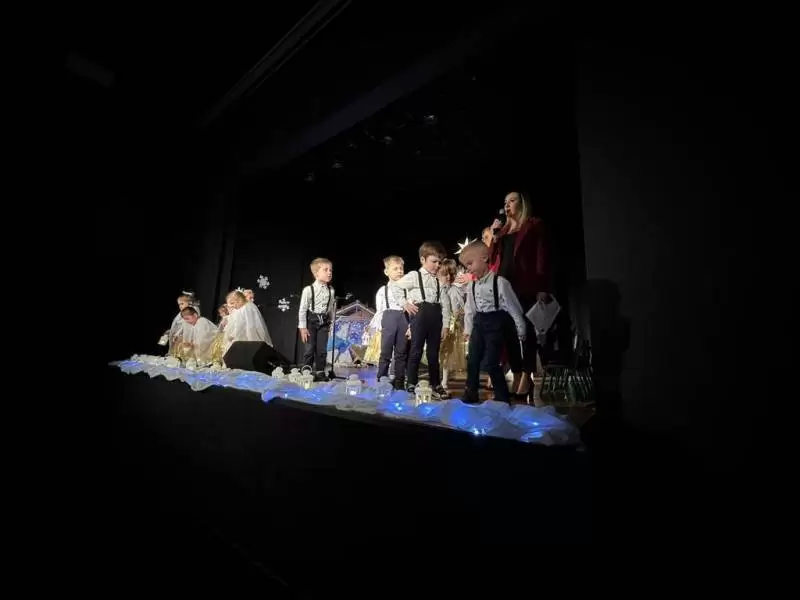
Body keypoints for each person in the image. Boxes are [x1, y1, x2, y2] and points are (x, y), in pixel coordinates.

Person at [489, 191, 552, 399]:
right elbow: (491, 259)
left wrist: (542, 286)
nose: (507, 205)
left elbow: (542, 256)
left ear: (522, 203)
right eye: (505, 201)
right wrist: (494, 236)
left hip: (525, 285)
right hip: (504, 287)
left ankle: (527, 375)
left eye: (512, 200)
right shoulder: (502, 231)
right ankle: (516, 372)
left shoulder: (534, 225)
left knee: (526, 332)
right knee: (508, 333)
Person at [460, 241, 527, 404]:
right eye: (466, 265)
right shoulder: (472, 285)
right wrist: (468, 329)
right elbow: (470, 309)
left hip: (496, 322)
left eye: (470, 263)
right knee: (473, 359)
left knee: (492, 362)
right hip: (479, 322)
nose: (468, 268)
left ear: (484, 258)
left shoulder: (500, 282)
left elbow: (513, 307)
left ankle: (502, 396)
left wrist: (521, 328)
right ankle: (471, 391)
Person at [395, 241, 450, 398]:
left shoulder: (439, 281)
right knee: (416, 350)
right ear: (422, 260)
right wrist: (404, 303)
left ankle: (436, 384)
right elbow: (396, 287)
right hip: (420, 315)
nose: (437, 265)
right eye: (434, 261)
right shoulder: (414, 276)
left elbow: (445, 304)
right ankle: (411, 382)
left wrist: (446, 325)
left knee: (433, 353)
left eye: (439, 262)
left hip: (436, 316)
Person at [298, 257, 335, 380]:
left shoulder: (331, 291)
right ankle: (306, 371)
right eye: (326, 270)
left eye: (330, 270)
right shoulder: (308, 290)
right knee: (309, 348)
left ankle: (320, 371)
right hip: (311, 322)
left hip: (324, 322)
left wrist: (331, 323)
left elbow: (330, 309)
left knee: (322, 349)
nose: (329, 272)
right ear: (316, 273)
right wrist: (303, 327)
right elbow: (303, 309)